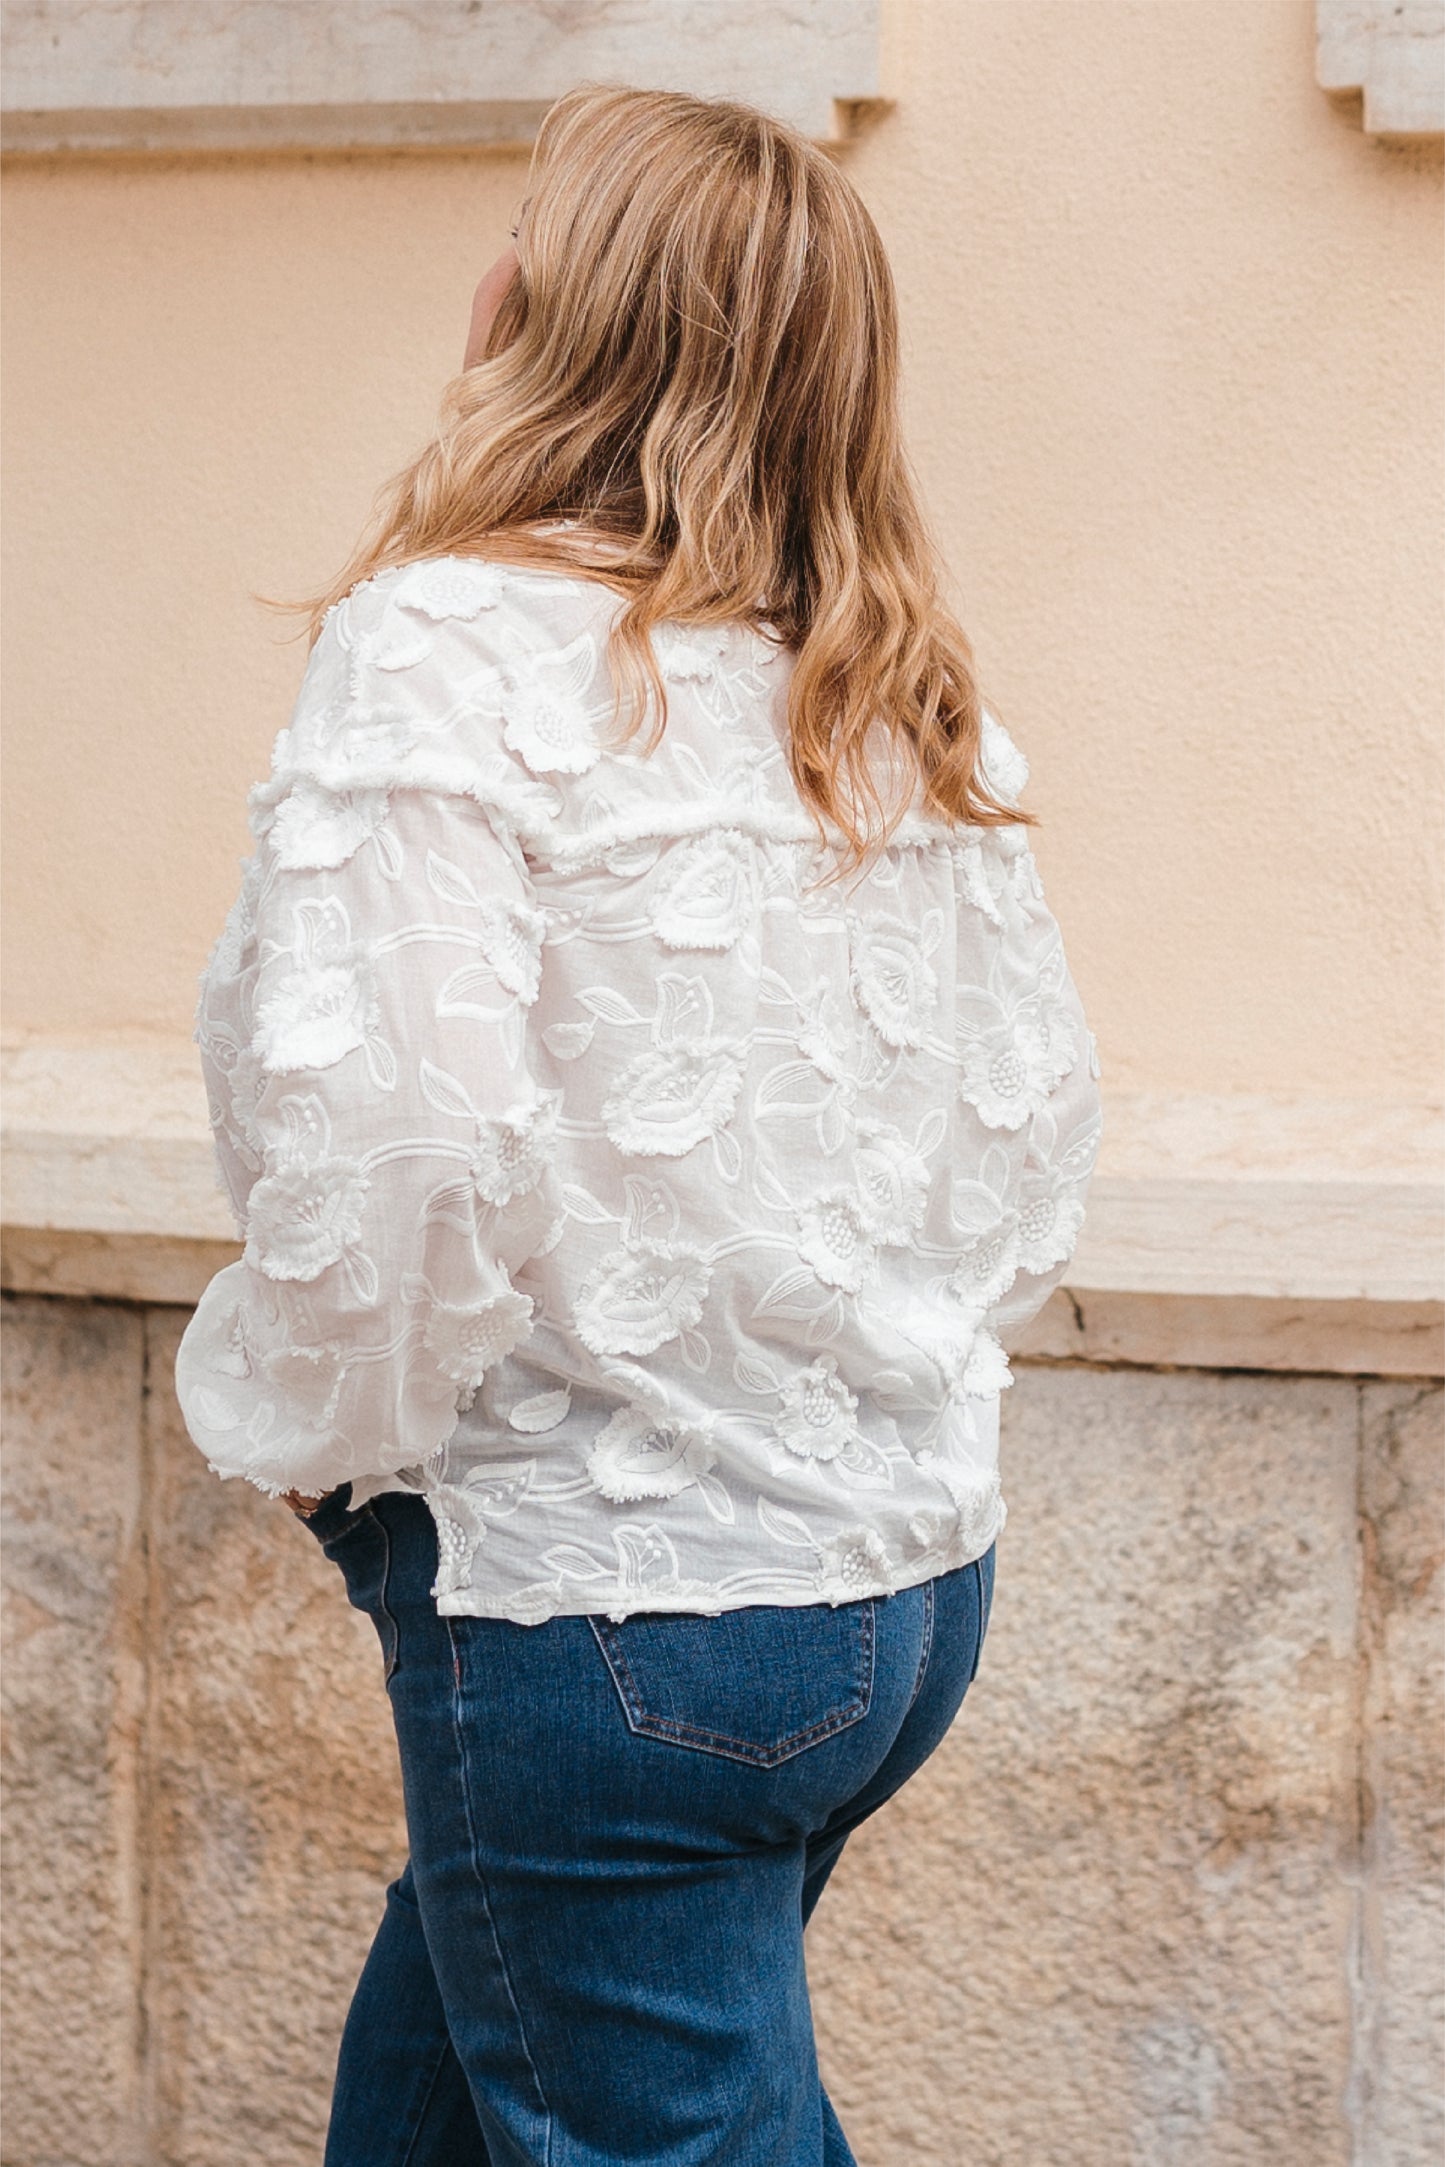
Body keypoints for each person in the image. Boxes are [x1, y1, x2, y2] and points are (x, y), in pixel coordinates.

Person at [175, 82, 1103, 2167]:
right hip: (895, 1593)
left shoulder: (443, 642)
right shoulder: (892, 688)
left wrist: (326, 1439)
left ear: (536, 309)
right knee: (436, 2088)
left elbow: (399, 1145)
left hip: (617, 1625)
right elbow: (1029, 1154)